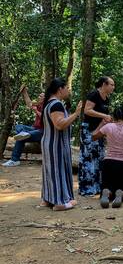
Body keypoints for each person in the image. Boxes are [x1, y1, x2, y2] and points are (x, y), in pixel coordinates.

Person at [41, 78, 82, 211]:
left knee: (50, 171)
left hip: (49, 143)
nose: (68, 91)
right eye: (67, 88)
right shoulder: (56, 104)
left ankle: (48, 199)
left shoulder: (49, 104)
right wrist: (76, 114)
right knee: (58, 171)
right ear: (60, 89)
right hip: (55, 145)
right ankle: (60, 202)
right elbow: (59, 125)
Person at [78, 76, 115, 197]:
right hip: (88, 129)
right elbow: (87, 110)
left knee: (99, 157)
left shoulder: (107, 99)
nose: (113, 87)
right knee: (88, 158)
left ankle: (98, 186)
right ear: (104, 84)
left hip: (99, 131)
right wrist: (103, 116)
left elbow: (104, 115)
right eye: (111, 84)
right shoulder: (94, 94)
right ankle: (87, 188)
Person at [2, 87, 44, 167]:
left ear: (45, 98)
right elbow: (29, 103)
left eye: (40, 96)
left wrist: (36, 111)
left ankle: (14, 160)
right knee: (19, 127)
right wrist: (24, 92)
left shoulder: (48, 106)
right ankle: (23, 133)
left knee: (21, 137)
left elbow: (45, 117)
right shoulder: (39, 105)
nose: (39, 97)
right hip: (34, 128)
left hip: (42, 131)